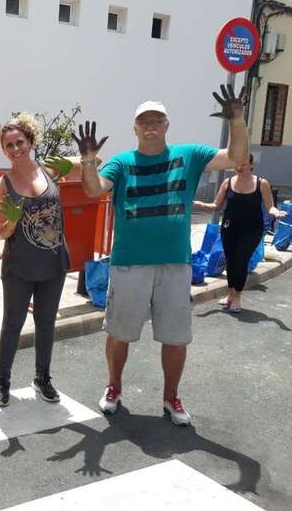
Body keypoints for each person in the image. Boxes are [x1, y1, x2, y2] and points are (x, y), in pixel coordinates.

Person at [79, 85, 250, 426]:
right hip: (129, 264)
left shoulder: (189, 155)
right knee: (120, 332)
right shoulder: (122, 162)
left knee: (175, 335)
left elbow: (236, 158)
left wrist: (237, 121)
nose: (151, 127)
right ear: (135, 128)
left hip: (175, 264)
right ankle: (114, 386)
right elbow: (94, 189)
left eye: (157, 121)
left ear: (167, 125)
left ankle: (171, 396)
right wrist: (87, 161)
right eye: (144, 122)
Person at [0, 112, 71, 408]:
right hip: (19, 265)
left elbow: (92, 163)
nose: (15, 149)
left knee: (46, 322)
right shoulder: (2, 184)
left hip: (53, 261)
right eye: (9, 145)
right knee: (13, 323)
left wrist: (84, 159)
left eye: (20, 142)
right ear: (4, 150)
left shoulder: (50, 170)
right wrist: (11, 220)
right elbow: (2, 231)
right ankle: (3, 381)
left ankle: (42, 377)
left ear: (30, 141)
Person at [194, 154, 286, 312]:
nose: (239, 167)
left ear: (251, 165)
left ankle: (237, 296)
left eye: (243, 164)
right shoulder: (227, 183)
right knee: (230, 262)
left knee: (240, 260)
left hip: (252, 229)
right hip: (229, 229)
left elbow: (270, 207)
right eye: (237, 164)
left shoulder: (261, 183)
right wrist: (198, 204)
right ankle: (230, 294)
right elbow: (215, 205)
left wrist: (276, 212)